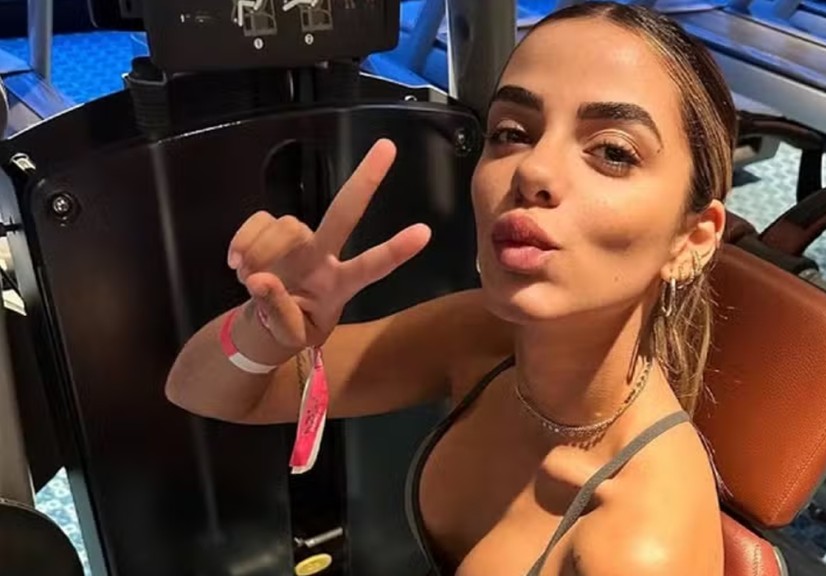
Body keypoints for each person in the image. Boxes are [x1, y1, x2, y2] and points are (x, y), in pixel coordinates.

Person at [166, 3, 735, 574]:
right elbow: (200, 391)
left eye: (612, 152)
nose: (533, 171)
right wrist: (265, 330)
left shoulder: (638, 549)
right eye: (512, 133)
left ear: (692, 239)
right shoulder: (487, 338)